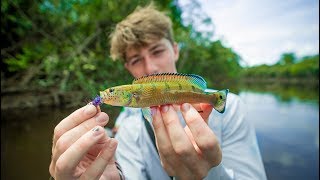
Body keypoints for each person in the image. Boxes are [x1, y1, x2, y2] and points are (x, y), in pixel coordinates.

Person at [49, 4, 267, 180]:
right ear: (128, 68)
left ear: (175, 50)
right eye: (136, 59)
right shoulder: (128, 125)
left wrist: (210, 175)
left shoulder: (232, 108)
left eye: (157, 51)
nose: (151, 67)